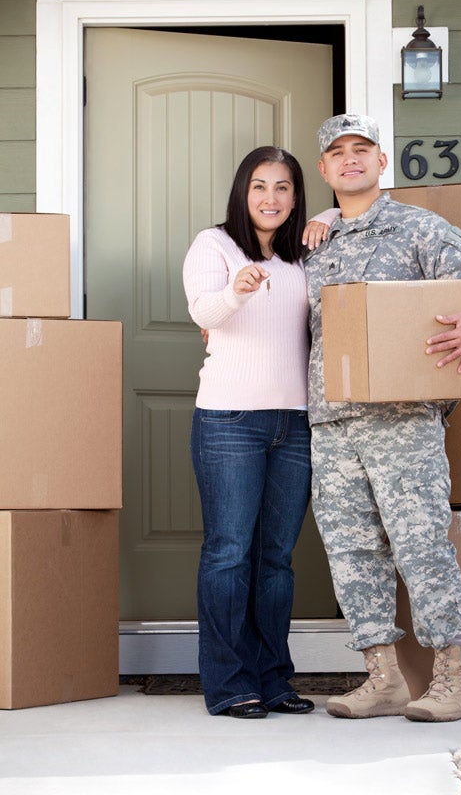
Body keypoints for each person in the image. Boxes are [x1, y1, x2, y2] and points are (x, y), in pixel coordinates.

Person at [304, 114, 461, 722]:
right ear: (324, 169)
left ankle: (453, 680)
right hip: (331, 422)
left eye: (362, 150)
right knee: (351, 551)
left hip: (404, 423)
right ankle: (384, 679)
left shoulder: (419, 229)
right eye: (338, 153)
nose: (350, 160)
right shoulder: (312, 242)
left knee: (422, 546)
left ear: (381, 161)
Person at [183, 146, 335, 718]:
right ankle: (229, 684)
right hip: (230, 422)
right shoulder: (214, 245)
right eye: (259, 187)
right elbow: (204, 314)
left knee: (276, 558)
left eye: (283, 188)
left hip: (294, 423)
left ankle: (273, 678)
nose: (270, 199)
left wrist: (332, 218)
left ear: (297, 197)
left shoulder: (305, 254)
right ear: (242, 193)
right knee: (228, 553)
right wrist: (238, 290)